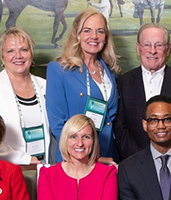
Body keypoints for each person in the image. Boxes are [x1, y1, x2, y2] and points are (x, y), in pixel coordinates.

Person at [115, 23, 171, 160]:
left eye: (159, 45)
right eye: (147, 45)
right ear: (138, 48)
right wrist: (139, 159)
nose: (152, 51)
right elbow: (120, 127)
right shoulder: (123, 82)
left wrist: (166, 156)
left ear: (168, 50)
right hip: (133, 163)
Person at [46, 10, 121, 164]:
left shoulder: (111, 71)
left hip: (109, 155)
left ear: (106, 37)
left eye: (100, 31)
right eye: (87, 30)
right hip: (76, 160)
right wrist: (90, 156)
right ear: (77, 34)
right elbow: (57, 123)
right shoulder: (59, 70)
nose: (94, 36)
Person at [0, 27, 52, 165]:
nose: (18, 56)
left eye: (24, 50)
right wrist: (24, 159)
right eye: (10, 51)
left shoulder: (46, 86)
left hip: (46, 167)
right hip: (7, 168)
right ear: (2, 58)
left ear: (31, 54)